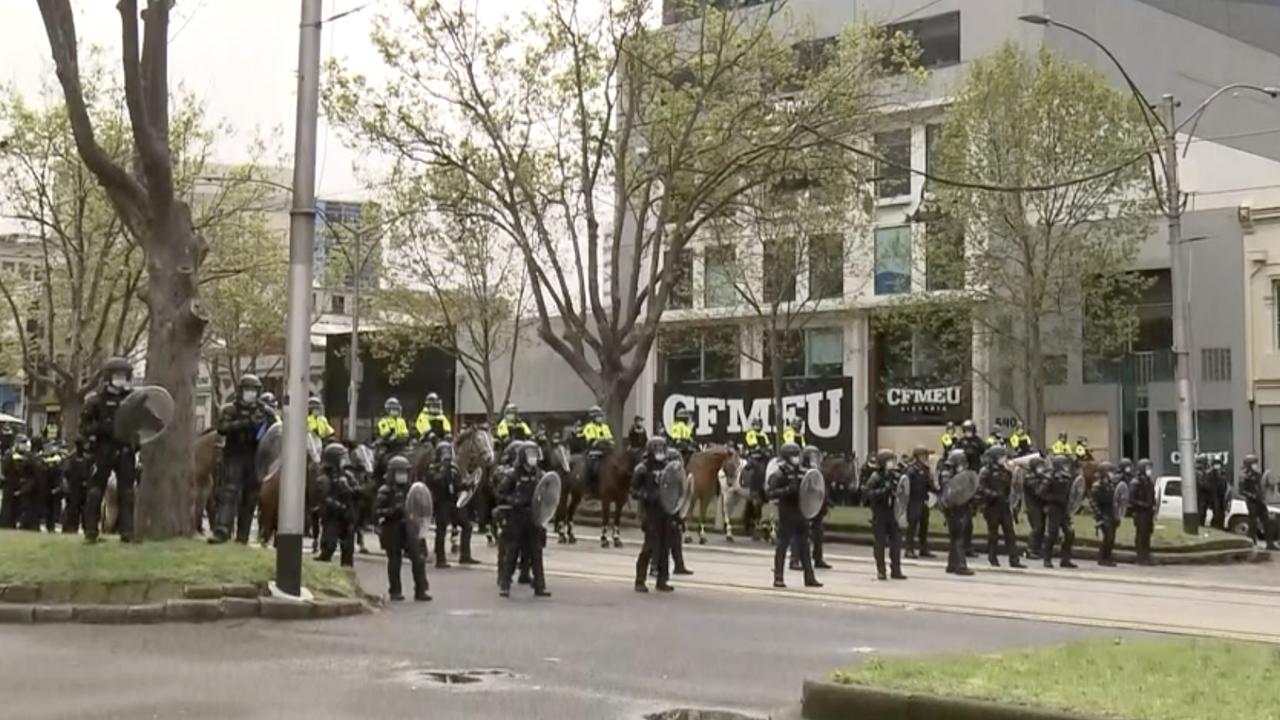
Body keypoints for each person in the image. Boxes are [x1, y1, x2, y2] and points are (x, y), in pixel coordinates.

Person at [211, 374, 276, 544]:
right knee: (229, 492)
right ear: (240, 391)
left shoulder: (265, 411)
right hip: (234, 455)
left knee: (250, 497)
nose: (250, 394)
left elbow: (276, 431)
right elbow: (222, 428)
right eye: (247, 390)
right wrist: (247, 422)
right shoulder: (230, 410)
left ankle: (243, 536)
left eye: (254, 390)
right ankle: (222, 530)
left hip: (256, 457)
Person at [80, 357, 138, 543]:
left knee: (127, 492)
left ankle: (127, 532)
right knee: (96, 491)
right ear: (108, 377)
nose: (121, 379)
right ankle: (91, 531)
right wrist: (102, 428)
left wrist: (137, 445)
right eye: (117, 375)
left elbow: (142, 424)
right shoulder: (95, 401)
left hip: (125, 449)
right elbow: (84, 428)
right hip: (103, 449)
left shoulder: (132, 400)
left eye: (123, 375)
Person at [496, 441, 551, 598]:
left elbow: (548, 494)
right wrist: (513, 499)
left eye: (534, 455)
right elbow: (500, 493)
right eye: (530, 455)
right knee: (512, 552)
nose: (533, 458)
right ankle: (505, 585)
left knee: (536, 552)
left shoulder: (539, 474)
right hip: (517, 517)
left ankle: (540, 586)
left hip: (534, 517)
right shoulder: (513, 475)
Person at [376, 456, 430, 601]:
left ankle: (421, 590)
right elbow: (377, 512)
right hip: (393, 529)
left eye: (405, 472)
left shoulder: (412, 489)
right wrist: (393, 511)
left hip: (410, 528)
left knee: (418, 559)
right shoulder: (385, 490)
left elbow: (421, 506)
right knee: (394, 561)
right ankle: (395, 590)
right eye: (400, 472)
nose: (403, 476)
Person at [768, 443, 822, 588]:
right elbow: (770, 493)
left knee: (805, 546)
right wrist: (787, 490)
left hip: (802, 511)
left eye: (797, 455)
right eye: (793, 455)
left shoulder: (804, 472)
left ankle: (809, 577)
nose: (796, 458)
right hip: (787, 513)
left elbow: (813, 487)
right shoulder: (780, 474)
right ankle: (778, 577)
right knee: (782, 545)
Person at [633, 436, 675, 593]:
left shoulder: (669, 468)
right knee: (649, 546)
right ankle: (640, 580)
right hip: (649, 512)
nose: (660, 452)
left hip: (665, 510)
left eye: (662, 449)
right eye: (657, 449)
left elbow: (675, 487)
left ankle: (662, 580)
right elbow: (634, 491)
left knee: (665, 546)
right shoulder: (642, 469)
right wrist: (647, 495)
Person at [429, 441, 476, 567]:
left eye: (448, 452)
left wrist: (467, 485)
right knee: (441, 530)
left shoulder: (454, 468)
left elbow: (457, 485)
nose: (447, 456)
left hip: (453, 502)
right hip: (441, 502)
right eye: (444, 453)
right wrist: (444, 470)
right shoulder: (433, 468)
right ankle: (440, 559)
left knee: (467, 526)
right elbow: (435, 482)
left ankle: (465, 555)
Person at [863, 449, 906, 581]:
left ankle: (896, 569)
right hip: (880, 513)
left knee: (896, 542)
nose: (892, 464)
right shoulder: (875, 477)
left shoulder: (894, 476)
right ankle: (881, 570)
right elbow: (867, 495)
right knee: (880, 543)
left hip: (892, 512)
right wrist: (884, 490)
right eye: (889, 461)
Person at [978, 445, 1024, 568]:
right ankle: (992, 557)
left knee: (1010, 533)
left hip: (1004, 505)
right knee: (993, 534)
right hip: (992, 506)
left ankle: (1014, 559)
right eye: (1001, 456)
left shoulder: (1006, 471)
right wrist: (993, 494)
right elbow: (980, 488)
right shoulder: (986, 471)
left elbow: (1012, 487)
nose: (1004, 459)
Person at [316, 443, 357, 567]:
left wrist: (350, 490)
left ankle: (347, 571)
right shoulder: (324, 478)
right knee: (329, 546)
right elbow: (325, 498)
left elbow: (357, 490)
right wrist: (339, 506)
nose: (345, 462)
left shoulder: (348, 476)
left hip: (347, 517)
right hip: (332, 517)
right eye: (342, 458)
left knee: (348, 548)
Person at [938, 449, 974, 576]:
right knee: (958, 536)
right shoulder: (947, 474)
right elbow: (950, 491)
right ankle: (960, 565)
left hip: (960, 506)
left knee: (956, 537)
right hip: (953, 507)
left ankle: (952, 564)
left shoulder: (954, 473)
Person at [1042, 455, 1079, 569]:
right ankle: (1047, 559)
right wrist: (1054, 499)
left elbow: (1073, 492)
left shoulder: (1068, 478)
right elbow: (1042, 492)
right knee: (1052, 534)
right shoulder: (1050, 477)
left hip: (1064, 508)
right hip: (1054, 508)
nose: (1066, 467)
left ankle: (1065, 559)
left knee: (1070, 533)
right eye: (1064, 465)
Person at [1238, 455, 1278, 551]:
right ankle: (1252, 543)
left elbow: (1261, 486)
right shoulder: (1244, 476)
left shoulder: (1258, 475)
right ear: (1248, 465)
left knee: (1267, 522)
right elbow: (1241, 491)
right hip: (1252, 502)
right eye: (1254, 464)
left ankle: (1270, 543)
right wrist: (1252, 495)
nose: (1256, 465)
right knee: (1253, 523)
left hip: (1260, 501)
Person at [904, 445, 936, 559]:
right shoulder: (911, 470)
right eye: (923, 455)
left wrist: (936, 490)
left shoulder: (926, 469)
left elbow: (929, 485)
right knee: (912, 526)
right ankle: (909, 549)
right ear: (917, 456)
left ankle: (924, 548)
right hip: (913, 500)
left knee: (924, 525)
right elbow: (905, 485)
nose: (925, 458)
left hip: (923, 500)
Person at [3, 435, 38, 531]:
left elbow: (33, 474)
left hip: (24, 488)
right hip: (10, 487)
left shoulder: (29, 456)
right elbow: (4, 471)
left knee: (23, 511)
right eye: (21, 443)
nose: (24, 445)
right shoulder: (9, 455)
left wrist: (25, 488)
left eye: (24, 443)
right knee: (8, 512)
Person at [375, 397, 411, 485]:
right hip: (388, 447)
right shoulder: (383, 421)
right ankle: (377, 478)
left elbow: (405, 433)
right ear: (388, 410)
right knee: (380, 458)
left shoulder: (402, 421)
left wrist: (400, 437)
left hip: (401, 446)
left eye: (396, 409)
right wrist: (392, 437)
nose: (395, 411)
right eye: (393, 409)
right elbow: (386, 435)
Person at [578, 406, 613, 493]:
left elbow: (610, 438)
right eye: (598, 416)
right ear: (593, 417)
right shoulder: (589, 427)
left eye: (601, 416)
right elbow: (592, 441)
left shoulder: (605, 427)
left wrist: (605, 441)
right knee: (590, 468)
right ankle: (589, 488)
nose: (600, 418)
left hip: (606, 451)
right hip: (592, 452)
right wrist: (603, 440)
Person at [1090, 461, 1119, 567]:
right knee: (1108, 536)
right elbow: (1093, 502)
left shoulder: (1111, 484)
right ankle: (1102, 557)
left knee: (1112, 536)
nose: (1111, 474)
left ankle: (1108, 556)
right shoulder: (1097, 485)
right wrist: (1098, 516)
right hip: (1103, 513)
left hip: (1111, 513)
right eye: (1109, 471)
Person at [1130, 459, 1158, 564]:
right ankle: (1140, 557)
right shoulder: (1136, 482)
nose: (1149, 471)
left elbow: (1152, 495)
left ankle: (1146, 555)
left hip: (1148, 513)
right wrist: (1144, 505)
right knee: (1141, 535)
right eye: (1147, 468)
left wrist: (1153, 505)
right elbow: (1132, 499)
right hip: (1140, 513)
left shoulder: (1148, 481)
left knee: (1147, 534)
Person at [61, 439, 91, 535]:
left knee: (86, 510)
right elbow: (65, 474)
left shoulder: (87, 459)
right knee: (72, 509)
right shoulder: (71, 459)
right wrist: (66, 486)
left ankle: (87, 528)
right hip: (73, 488)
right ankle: (70, 528)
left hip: (84, 488)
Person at [1023, 456, 1048, 560]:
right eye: (1039, 466)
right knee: (1036, 527)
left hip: (1040, 505)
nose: (1041, 469)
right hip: (1032, 506)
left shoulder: (1041, 477)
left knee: (1041, 528)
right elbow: (1038, 492)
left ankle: (1037, 549)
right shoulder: (1029, 477)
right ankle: (1030, 549)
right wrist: (1046, 482)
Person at [38, 438, 65, 533]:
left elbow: (61, 473)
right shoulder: (42, 458)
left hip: (55, 488)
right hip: (45, 487)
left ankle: (52, 525)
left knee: (54, 508)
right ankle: (47, 523)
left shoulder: (59, 459)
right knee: (47, 508)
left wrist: (58, 487)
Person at [1204, 456, 1229, 530]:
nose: (1217, 466)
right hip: (1214, 496)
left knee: (1222, 513)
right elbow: (1209, 486)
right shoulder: (1210, 474)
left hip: (1221, 496)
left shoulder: (1222, 473)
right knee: (1217, 512)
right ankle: (1216, 526)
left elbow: (1224, 485)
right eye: (1216, 464)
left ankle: (1219, 526)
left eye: (1218, 464)